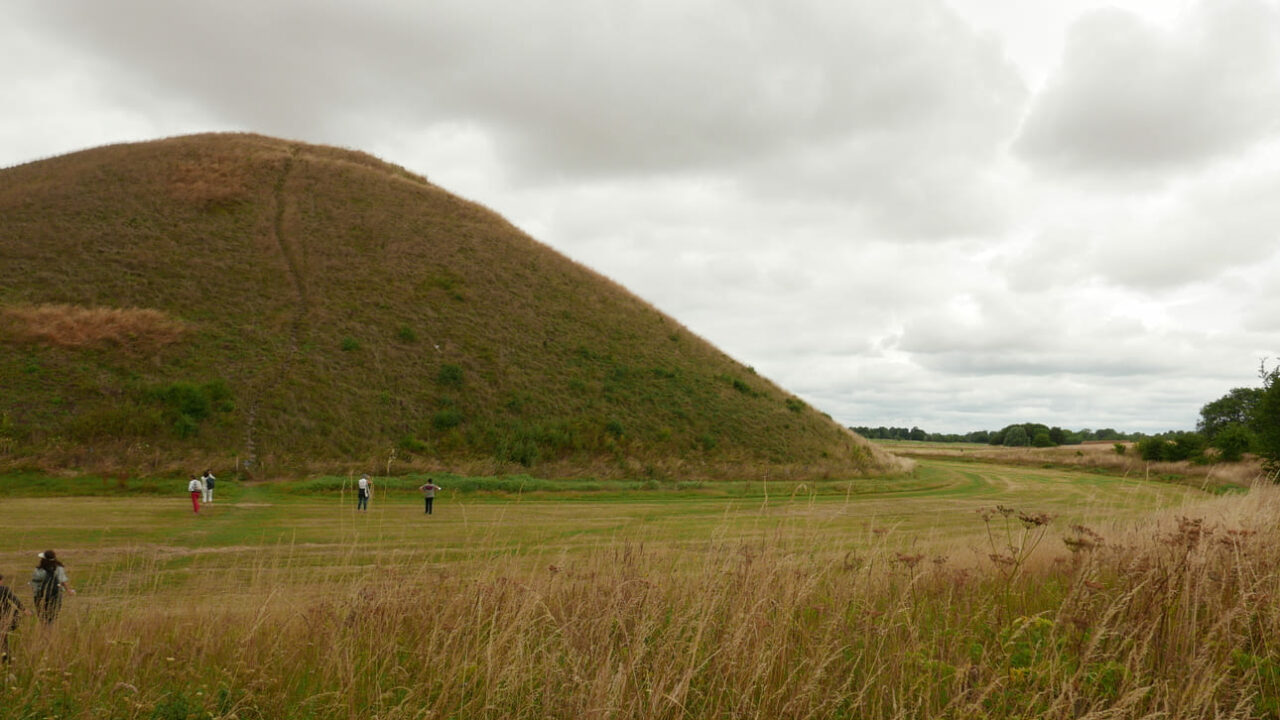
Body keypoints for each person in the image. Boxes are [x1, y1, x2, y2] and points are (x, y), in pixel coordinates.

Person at [30, 551, 74, 625]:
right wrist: (68, 590)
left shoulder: (38, 570)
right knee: (53, 617)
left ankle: (44, 631)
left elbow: (34, 582)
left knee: (42, 617)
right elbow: (63, 581)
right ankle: (50, 630)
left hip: (40, 595)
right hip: (55, 595)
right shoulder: (59, 568)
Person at [1, 573, 31, 663]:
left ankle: (5, 658)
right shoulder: (4, 589)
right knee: (3, 638)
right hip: (5, 617)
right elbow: (14, 599)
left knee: (2, 638)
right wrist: (24, 610)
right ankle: (6, 658)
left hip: (3, 618)